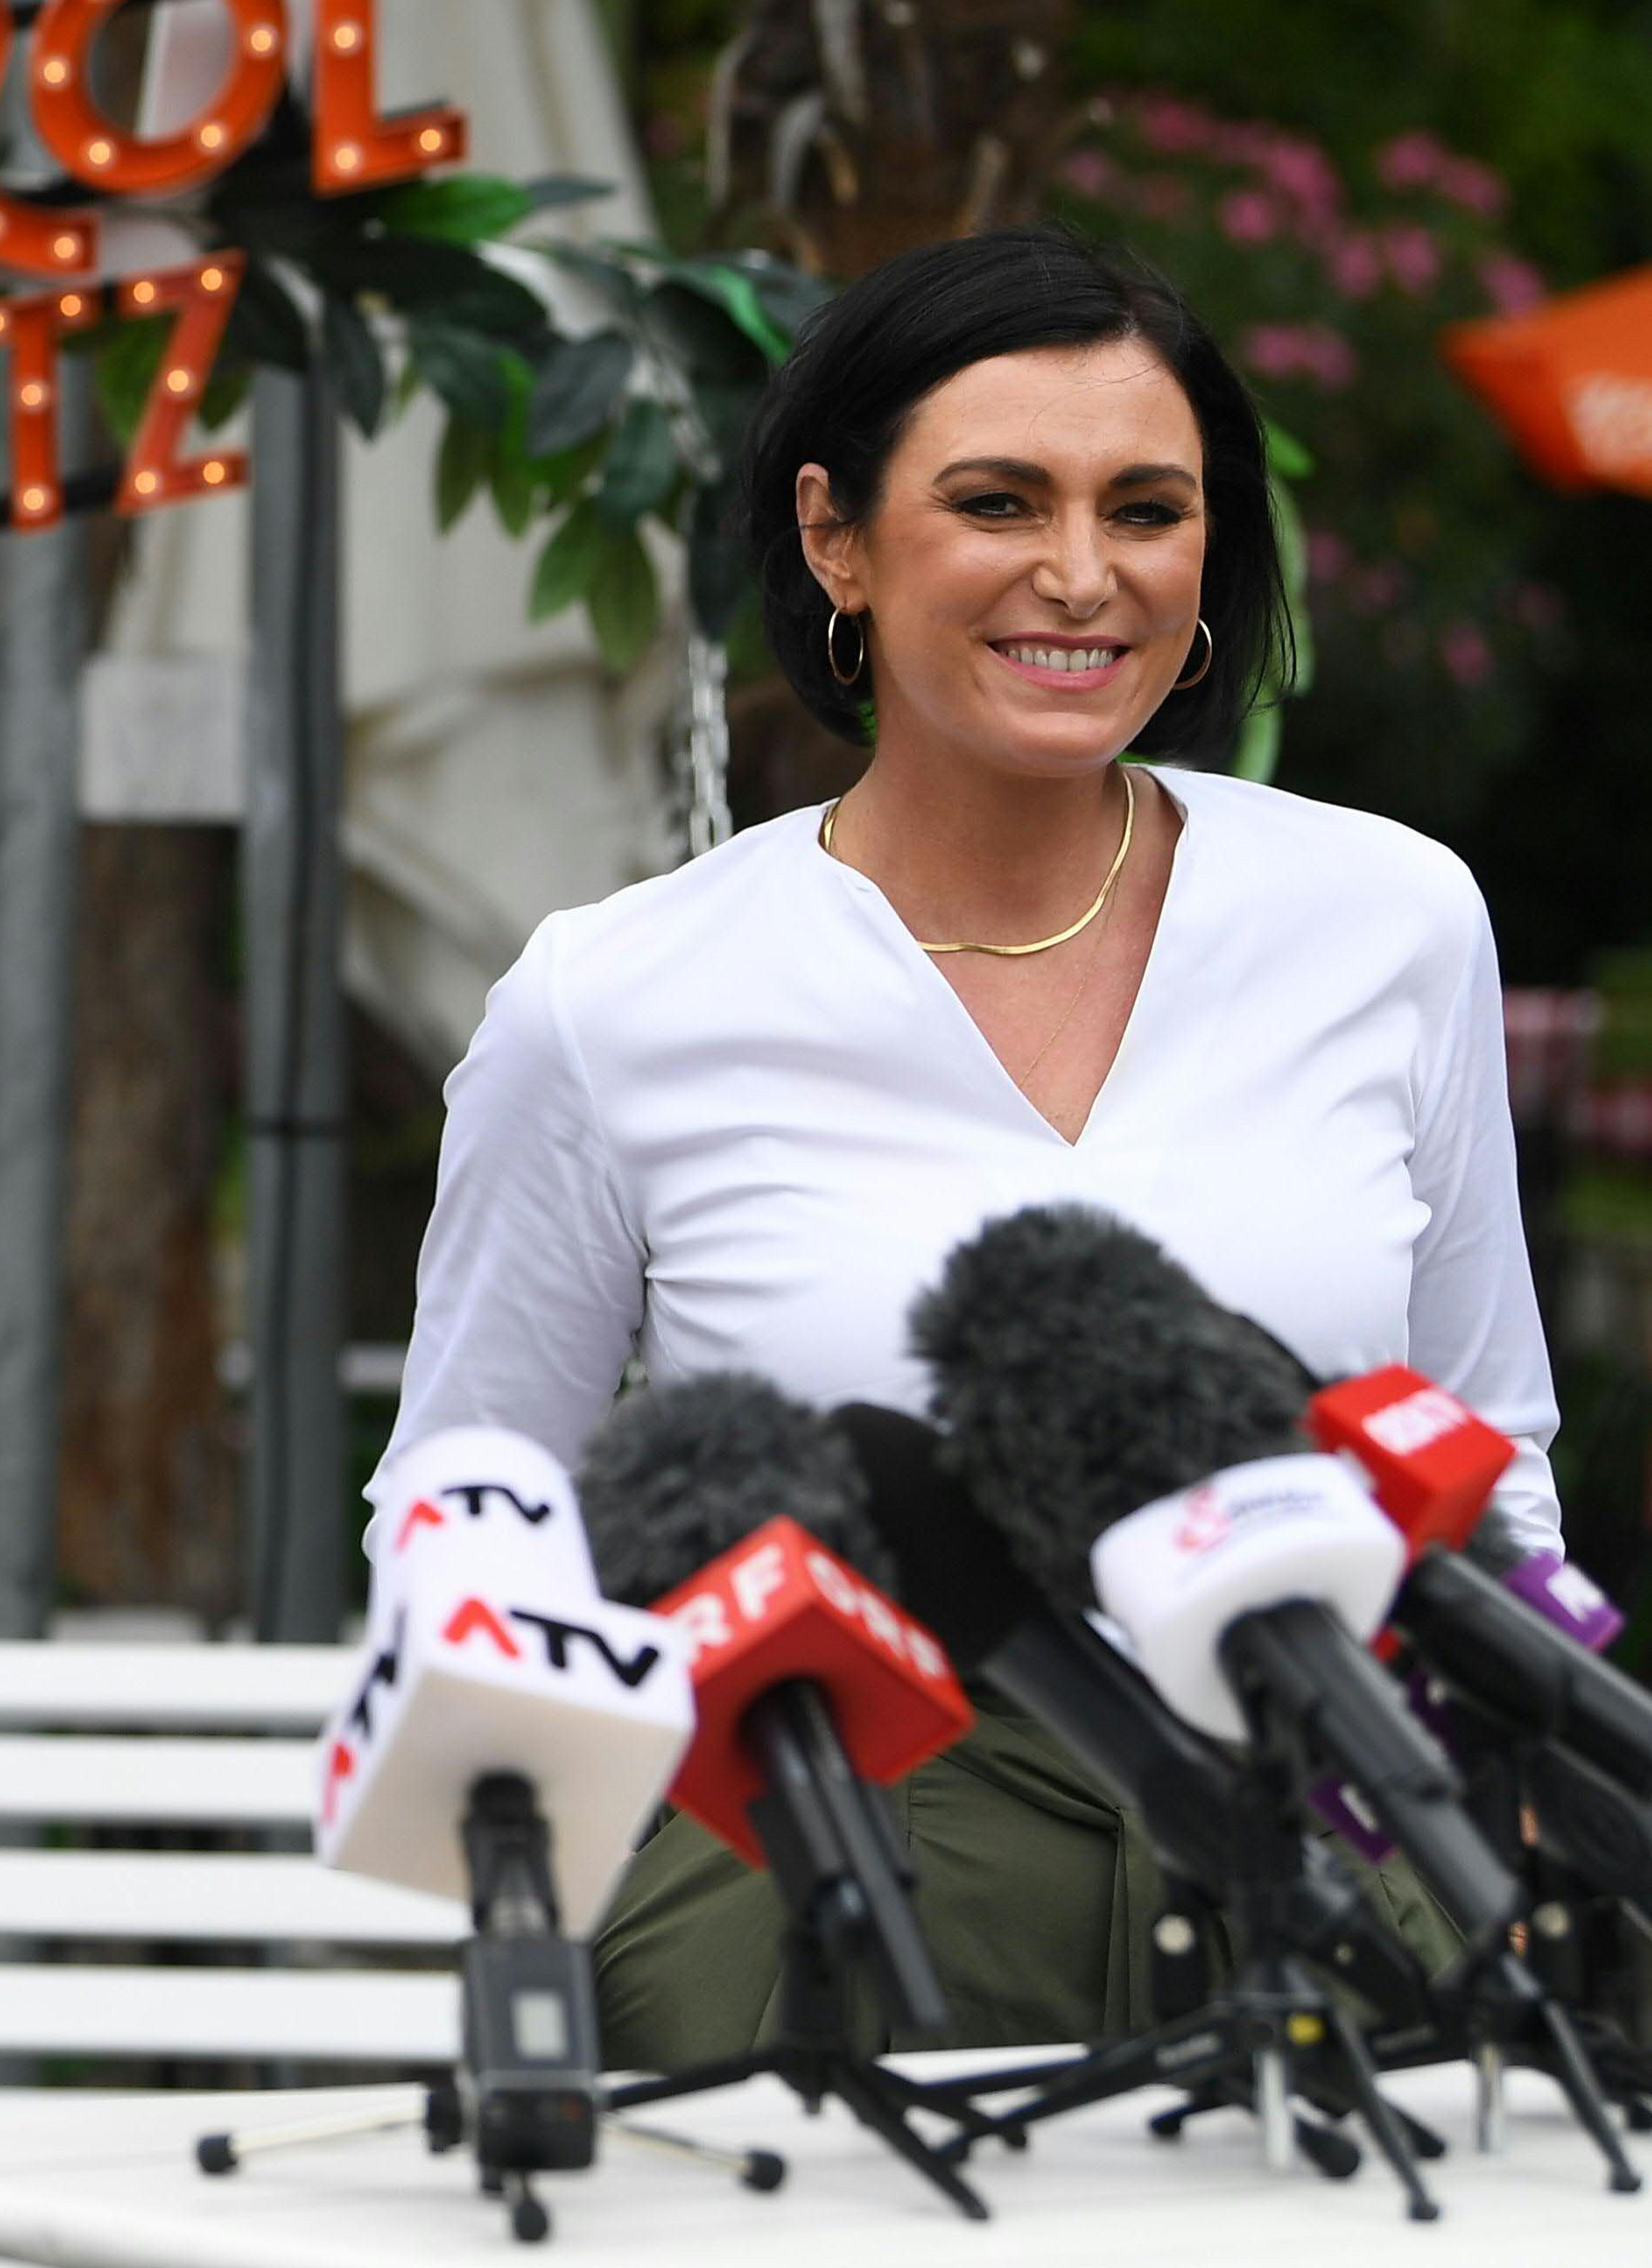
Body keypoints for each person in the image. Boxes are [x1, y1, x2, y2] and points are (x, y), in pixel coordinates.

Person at [384, 224, 1561, 2068]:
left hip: (1338, 1843)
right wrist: (528, 1856)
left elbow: (1489, 1427)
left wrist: (1517, 1784)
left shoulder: (1390, 917)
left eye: (1147, 508)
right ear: (838, 535)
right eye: (1000, 500)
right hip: (822, 1866)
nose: (1082, 576)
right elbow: (471, 1474)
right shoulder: (615, 996)